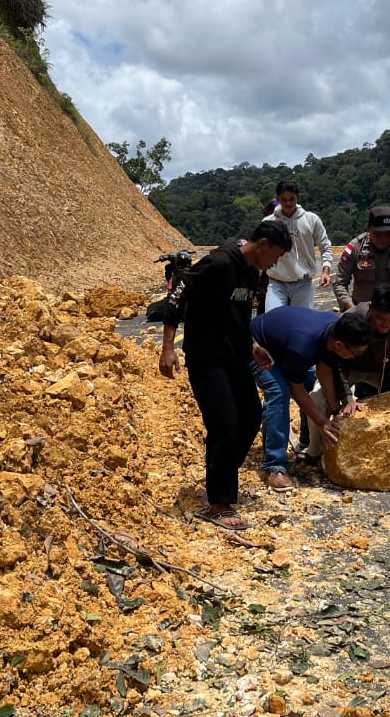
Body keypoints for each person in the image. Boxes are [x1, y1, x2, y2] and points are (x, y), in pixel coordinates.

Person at [157, 220, 292, 530]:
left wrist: (254, 345)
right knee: (224, 423)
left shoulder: (253, 271)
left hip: (235, 356)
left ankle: (223, 477)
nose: (276, 262)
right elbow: (178, 293)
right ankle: (219, 501)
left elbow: (237, 317)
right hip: (207, 357)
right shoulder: (220, 263)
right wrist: (168, 348)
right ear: (263, 244)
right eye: (277, 254)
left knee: (249, 416)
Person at [248, 307, 371, 489]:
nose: (358, 357)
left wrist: (334, 409)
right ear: (339, 345)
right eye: (357, 353)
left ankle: (307, 443)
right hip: (256, 346)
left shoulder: (334, 329)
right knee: (279, 391)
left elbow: (324, 371)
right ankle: (275, 467)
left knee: (311, 380)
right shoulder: (303, 346)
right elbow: (296, 390)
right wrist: (322, 422)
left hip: (285, 346)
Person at [335, 284, 390, 401]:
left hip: (379, 370)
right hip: (348, 369)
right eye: (380, 318)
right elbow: (337, 364)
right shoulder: (350, 320)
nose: (386, 324)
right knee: (318, 399)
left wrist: (385, 402)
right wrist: (347, 398)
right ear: (371, 307)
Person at [263, 181, 334, 310]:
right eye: (284, 199)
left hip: (303, 283)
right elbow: (259, 251)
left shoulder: (312, 219)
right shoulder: (269, 222)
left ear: (299, 198)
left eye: (292, 199)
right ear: (277, 199)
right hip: (276, 282)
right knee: (273, 322)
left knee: (302, 324)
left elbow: (325, 246)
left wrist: (326, 271)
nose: (288, 203)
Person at [333, 205, 390, 311]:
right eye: (378, 234)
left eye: (388, 234)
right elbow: (340, 282)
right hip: (362, 311)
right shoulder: (355, 248)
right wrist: (351, 308)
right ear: (368, 228)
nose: (383, 239)